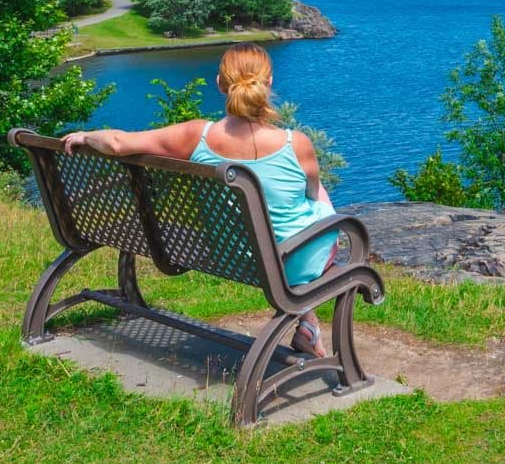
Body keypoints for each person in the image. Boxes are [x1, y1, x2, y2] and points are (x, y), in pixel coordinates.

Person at [60, 43, 339, 356]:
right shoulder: (296, 143)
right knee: (327, 212)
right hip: (292, 263)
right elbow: (314, 195)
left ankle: (307, 324)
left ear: (220, 84)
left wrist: (85, 137)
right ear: (269, 82)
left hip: (231, 256)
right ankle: (308, 323)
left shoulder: (196, 136)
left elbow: (116, 142)